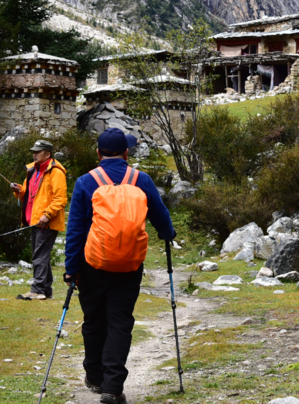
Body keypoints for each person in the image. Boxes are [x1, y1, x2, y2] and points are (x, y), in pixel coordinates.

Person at [64, 128, 175, 404]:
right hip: (129, 265)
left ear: (99, 153)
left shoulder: (85, 182)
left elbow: (76, 230)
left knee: (94, 320)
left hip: (92, 264)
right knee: (120, 323)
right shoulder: (142, 179)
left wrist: (70, 267)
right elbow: (162, 218)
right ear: (127, 153)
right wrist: (168, 234)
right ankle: (112, 387)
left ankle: (95, 376)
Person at [10, 139, 67, 300]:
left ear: (47, 154)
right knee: (41, 254)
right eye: (33, 151)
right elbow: (28, 194)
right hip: (34, 220)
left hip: (46, 221)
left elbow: (60, 199)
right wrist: (18, 190)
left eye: (38, 151)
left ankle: (37, 290)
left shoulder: (56, 172)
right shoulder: (33, 171)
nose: (34, 154)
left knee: (39, 255)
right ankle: (45, 290)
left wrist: (47, 215)